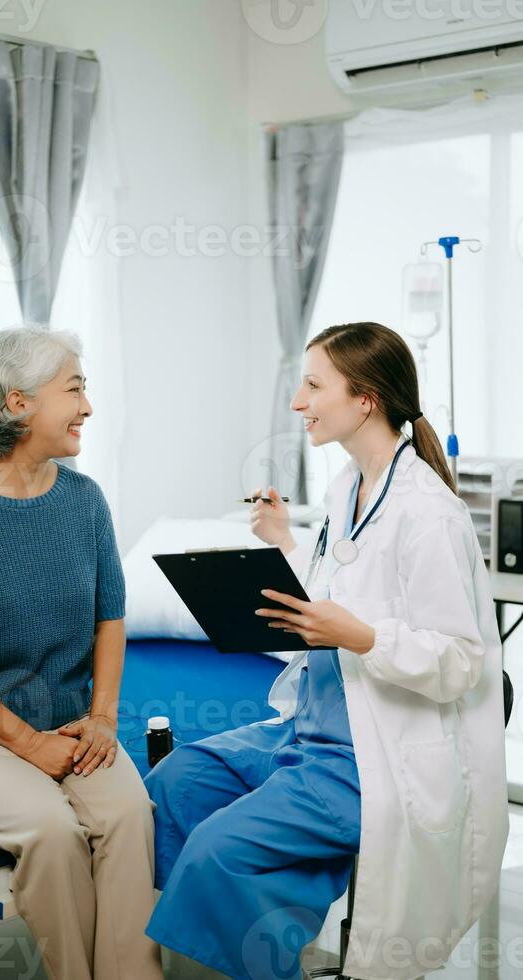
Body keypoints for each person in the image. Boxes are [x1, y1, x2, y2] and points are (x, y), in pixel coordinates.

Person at [143, 322, 508, 980]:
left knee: (218, 852)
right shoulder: (348, 487)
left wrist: (360, 636)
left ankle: (234, 943)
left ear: (363, 398)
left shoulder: (427, 513)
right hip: (311, 729)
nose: (297, 403)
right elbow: (329, 602)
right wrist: (282, 543)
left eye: (312, 386)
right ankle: (229, 938)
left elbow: (458, 660)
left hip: (373, 755)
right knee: (175, 784)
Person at [0, 325, 163, 980]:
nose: (88, 406)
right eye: (74, 388)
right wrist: (28, 744)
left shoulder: (84, 501)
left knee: (131, 814)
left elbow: (110, 618)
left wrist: (102, 718)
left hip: (73, 725)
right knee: (51, 832)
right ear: (17, 403)